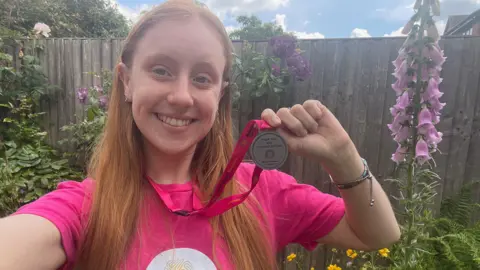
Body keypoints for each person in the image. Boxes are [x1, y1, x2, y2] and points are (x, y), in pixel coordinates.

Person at [0, 0, 400, 269]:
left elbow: (380, 234)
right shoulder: (83, 209)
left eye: (203, 78)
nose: (181, 95)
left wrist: (344, 156)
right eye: (161, 70)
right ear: (125, 82)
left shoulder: (262, 193)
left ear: (220, 93)